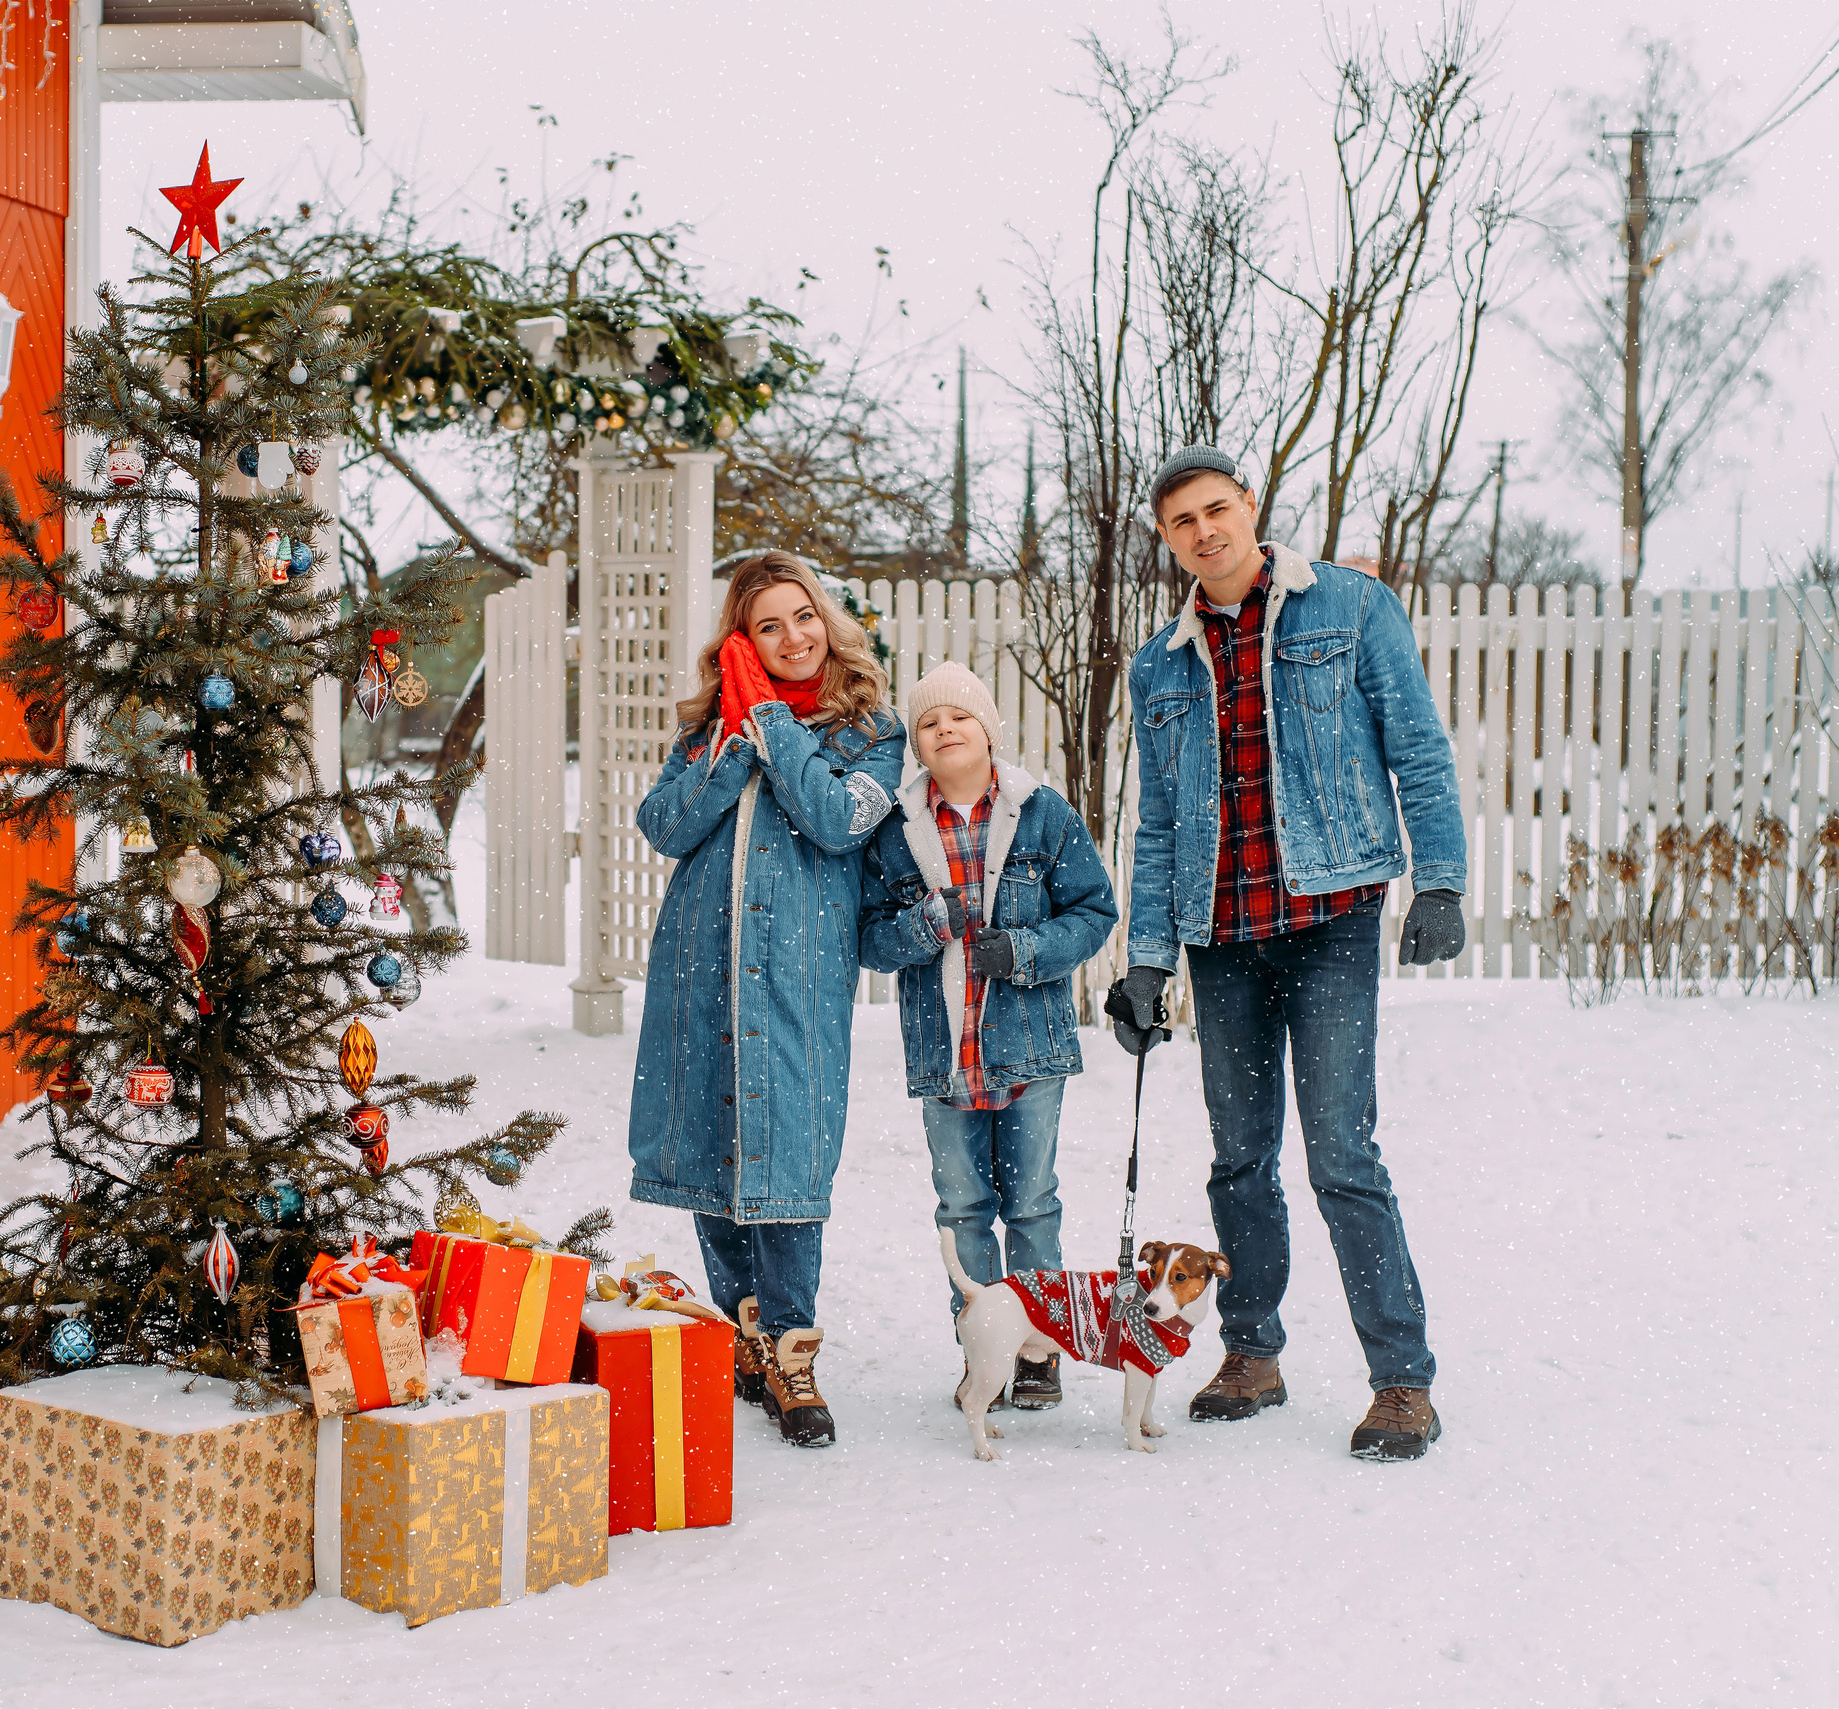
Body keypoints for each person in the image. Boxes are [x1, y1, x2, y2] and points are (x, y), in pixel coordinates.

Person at [1111, 445, 1468, 1462]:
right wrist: (1146, 958)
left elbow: (1417, 745)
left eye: (1216, 509)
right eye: (1182, 521)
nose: (1203, 530)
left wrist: (1436, 878)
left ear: (1250, 508)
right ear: (1168, 539)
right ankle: (1251, 1353)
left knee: (1342, 1153)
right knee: (1238, 1158)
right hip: (1219, 935)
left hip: (1330, 919)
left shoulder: (1349, 608)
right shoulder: (1161, 663)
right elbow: (1160, 821)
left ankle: (1401, 1379)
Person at [628, 551, 906, 1448]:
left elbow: (835, 823)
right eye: (767, 626)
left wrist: (773, 726)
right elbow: (664, 824)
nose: (792, 637)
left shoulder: (873, 733)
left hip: (796, 975)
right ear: (740, 641)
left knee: (787, 1150)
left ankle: (794, 1345)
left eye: (803, 616)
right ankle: (743, 1329)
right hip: (701, 968)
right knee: (712, 1140)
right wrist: (733, 737)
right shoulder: (710, 729)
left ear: (828, 619)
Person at [860, 663, 1116, 1412]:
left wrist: (1028, 950)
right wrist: (927, 924)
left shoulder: (1043, 815)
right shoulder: (897, 834)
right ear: (918, 744)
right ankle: (983, 1350)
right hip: (946, 1056)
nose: (945, 729)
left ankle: (1038, 1350)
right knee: (963, 1206)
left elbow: (1095, 911)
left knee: (1032, 1203)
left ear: (989, 731)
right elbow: (871, 940)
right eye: (929, 722)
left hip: (1028, 1048)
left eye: (960, 717)